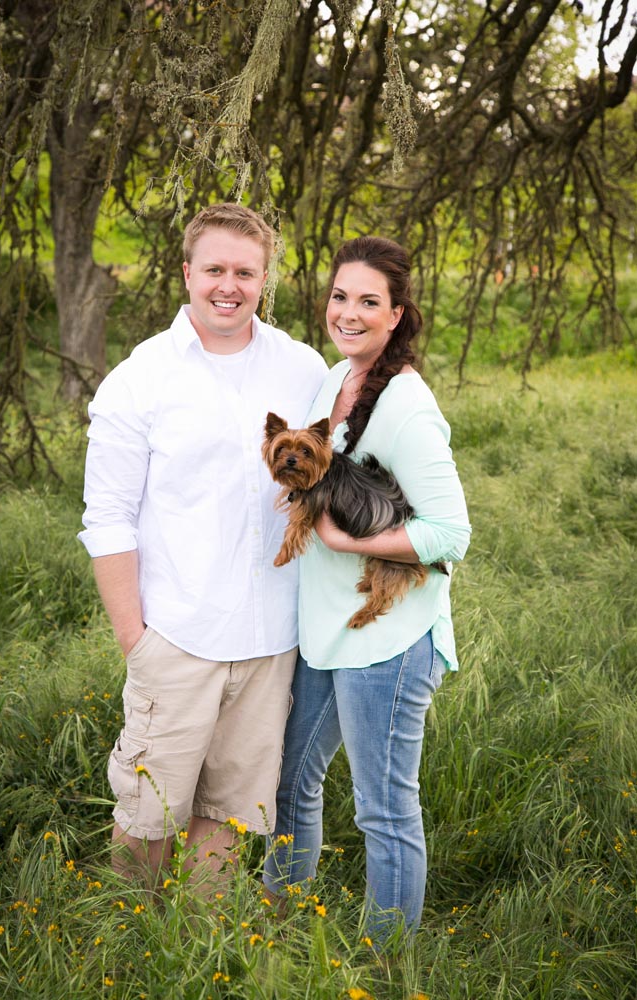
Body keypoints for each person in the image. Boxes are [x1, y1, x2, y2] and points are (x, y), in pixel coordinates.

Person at [78, 203, 328, 885]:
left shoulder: (303, 369)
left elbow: (333, 477)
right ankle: (128, 946)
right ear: (187, 273)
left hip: (271, 638)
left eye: (244, 272)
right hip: (177, 635)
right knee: (148, 811)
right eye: (214, 268)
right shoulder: (141, 378)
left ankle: (199, 948)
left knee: (230, 809)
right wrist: (138, 639)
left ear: (263, 280)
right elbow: (107, 517)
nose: (229, 285)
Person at [263, 236, 471, 941]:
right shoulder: (333, 380)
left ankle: (385, 964)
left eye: (367, 302)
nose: (348, 313)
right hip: (325, 629)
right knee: (290, 784)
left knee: (382, 809)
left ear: (396, 315)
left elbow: (449, 533)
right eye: (339, 296)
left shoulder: (405, 405)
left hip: (388, 640)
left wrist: (348, 541)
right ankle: (279, 928)